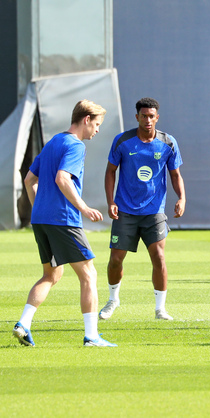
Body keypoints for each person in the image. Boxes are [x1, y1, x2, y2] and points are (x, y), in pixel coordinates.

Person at [13, 100, 116, 347]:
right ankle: (92, 336)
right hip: (63, 220)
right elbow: (62, 178)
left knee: (51, 274)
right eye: (97, 124)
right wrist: (84, 207)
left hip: (41, 220)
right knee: (89, 274)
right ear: (86, 119)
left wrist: (40, 207)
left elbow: (29, 180)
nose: (98, 130)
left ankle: (23, 324)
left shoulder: (52, 143)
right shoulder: (75, 145)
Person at [99, 97, 185, 321]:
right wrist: (111, 202)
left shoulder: (168, 142)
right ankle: (112, 300)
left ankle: (160, 309)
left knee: (159, 257)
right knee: (116, 258)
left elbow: (175, 174)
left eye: (151, 116)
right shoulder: (123, 141)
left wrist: (181, 198)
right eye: (143, 116)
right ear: (136, 117)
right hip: (126, 210)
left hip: (154, 211)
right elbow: (110, 172)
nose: (148, 120)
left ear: (157, 117)